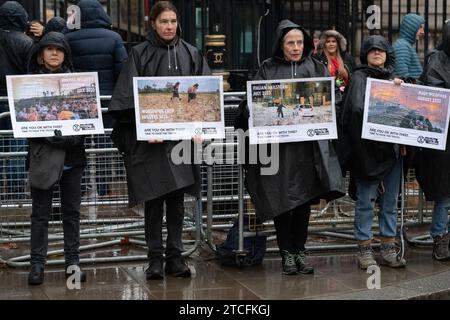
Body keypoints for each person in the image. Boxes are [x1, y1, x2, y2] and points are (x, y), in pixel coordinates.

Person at [108, 1, 211, 280]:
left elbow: (205, 96)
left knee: (177, 202)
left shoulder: (191, 53)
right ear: (153, 23)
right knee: (153, 202)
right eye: (163, 21)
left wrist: (202, 126)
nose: (169, 26)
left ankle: (175, 258)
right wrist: (145, 131)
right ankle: (155, 259)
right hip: (150, 146)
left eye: (173, 21)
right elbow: (126, 99)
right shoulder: (139, 54)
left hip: (180, 143)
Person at [235, 20, 345, 275]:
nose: (296, 48)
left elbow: (332, 102)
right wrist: (250, 109)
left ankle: (300, 250)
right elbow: (250, 104)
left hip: (308, 150)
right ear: (281, 45)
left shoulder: (315, 67)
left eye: (299, 43)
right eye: (290, 43)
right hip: (278, 150)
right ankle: (287, 252)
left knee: (303, 201)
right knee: (282, 201)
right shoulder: (267, 69)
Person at [339, 35, 407, 269]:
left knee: (390, 201)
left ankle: (388, 246)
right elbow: (353, 112)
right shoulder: (358, 78)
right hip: (365, 152)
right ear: (366, 54)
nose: (377, 53)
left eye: (381, 50)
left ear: (387, 53)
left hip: (392, 152)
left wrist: (400, 93)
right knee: (365, 202)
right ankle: (364, 249)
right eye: (372, 50)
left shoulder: (395, 80)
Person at [26, 32, 87, 285]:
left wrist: (67, 139)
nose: (54, 53)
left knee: (71, 213)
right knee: (40, 214)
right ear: (41, 55)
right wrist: (54, 138)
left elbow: (85, 123)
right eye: (49, 49)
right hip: (43, 158)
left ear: (65, 54)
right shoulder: (29, 84)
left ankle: (73, 263)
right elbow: (27, 128)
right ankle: (37, 265)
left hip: (72, 158)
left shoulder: (77, 82)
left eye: (59, 49)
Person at [65, 0, 128, 197]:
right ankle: (103, 187)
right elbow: (123, 70)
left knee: (77, 143)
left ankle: (80, 186)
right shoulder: (114, 38)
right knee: (103, 145)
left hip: (78, 101)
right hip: (106, 101)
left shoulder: (68, 37)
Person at [415, 20, 450, 262]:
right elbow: (433, 99)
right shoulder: (437, 60)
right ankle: (440, 238)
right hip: (444, 140)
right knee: (445, 194)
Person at [0, 1, 35, 200]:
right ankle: (14, 192)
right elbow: (30, 75)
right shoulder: (25, 42)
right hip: (17, 100)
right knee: (17, 149)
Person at [314, 30, 356, 94]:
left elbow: (355, 78)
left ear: (338, 43)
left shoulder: (347, 58)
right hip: (327, 94)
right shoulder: (318, 59)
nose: (331, 44)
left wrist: (346, 74)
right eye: (328, 42)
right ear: (324, 44)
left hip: (346, 94)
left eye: (334, 41)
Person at [393, 13, 425, 83]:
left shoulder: (405, 44)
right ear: (410, 28)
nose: (423, 32)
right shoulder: (402, 46)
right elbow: (403, 76)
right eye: (420, 27)